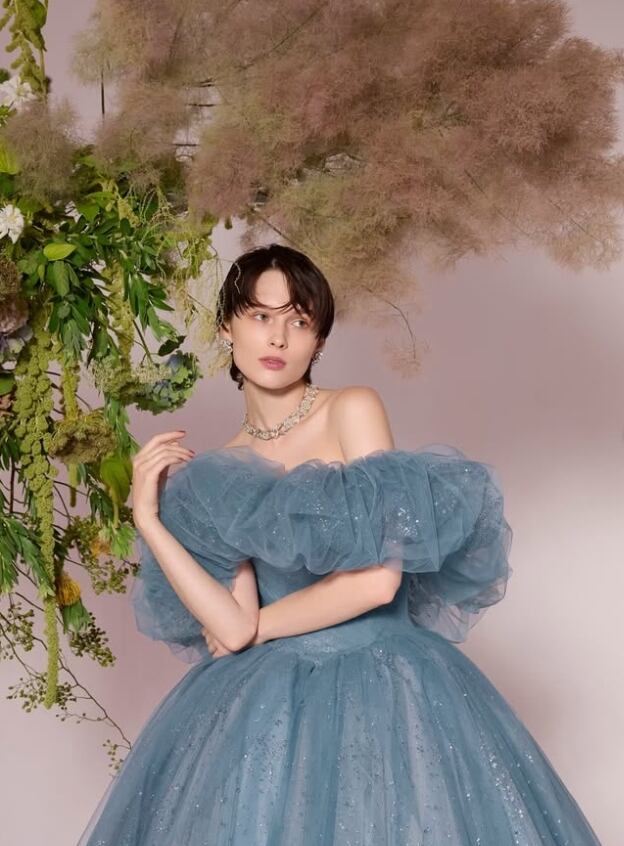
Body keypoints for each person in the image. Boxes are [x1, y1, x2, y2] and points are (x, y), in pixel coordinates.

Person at [77, 244, 602, 845]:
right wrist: (148, 519)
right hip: (270, 712)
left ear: (319, 340)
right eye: (260, 316)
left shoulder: (350, 410)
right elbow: (229, 624)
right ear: (226, 328)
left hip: (389, 683)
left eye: (299, 321)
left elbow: (378, 582)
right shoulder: (219, 470)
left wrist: (259, 629)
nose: (278, 337)